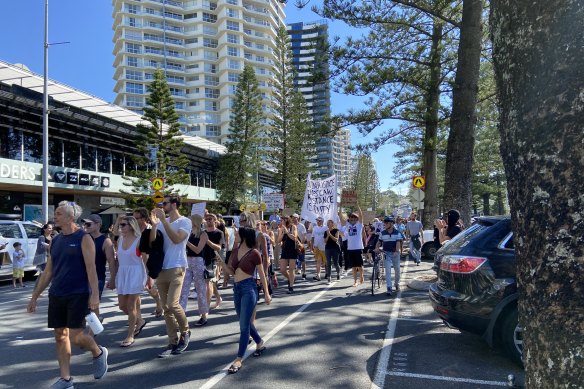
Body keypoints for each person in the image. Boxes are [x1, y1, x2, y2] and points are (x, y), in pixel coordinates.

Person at [27, 201, 108, 389]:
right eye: (55, 213)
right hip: (57, 294)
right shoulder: (55, 240)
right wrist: (34, 297)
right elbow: (48, 272)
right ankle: (66, 379)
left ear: (71, 217)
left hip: (78, 293)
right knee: (59, 335)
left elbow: (91, 269)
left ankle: (98, 352)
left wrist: (95, 295)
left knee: (76, 337)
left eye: (58, 213)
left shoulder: (84, 238)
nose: (55, 216)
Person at [216, 227, 271, 374]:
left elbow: (262, 275)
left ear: (245, 236)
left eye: (238, 233)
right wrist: (222, 263)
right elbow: (232, 272)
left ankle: (239, 358)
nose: (235, 235)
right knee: (243, 320)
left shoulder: (255, 253)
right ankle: (259, 342)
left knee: (243, 326)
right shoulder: (234, 252)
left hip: (249, 288)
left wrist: (266, 293)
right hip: (237, 288)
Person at [150, 196, 192, 358]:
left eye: (165, 204)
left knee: (172, 304)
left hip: (177, 266)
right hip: (162, 268)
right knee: (166, 309)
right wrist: (154, 225)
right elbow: (153, 241)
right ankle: (172, 341)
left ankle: (185, 331)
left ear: (174, 205)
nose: (162, 206)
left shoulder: (184, 221)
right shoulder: (161, 222)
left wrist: (163, 221)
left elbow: (176, 239)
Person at [113, 216, 148, 347]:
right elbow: (115, 232)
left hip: (136, 273)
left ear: (131, 226)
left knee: (131, 306)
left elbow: (145, 259)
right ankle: (139, 320)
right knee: (122, 305)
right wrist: (113, 277)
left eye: (124, 225)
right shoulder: (120, 239)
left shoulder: (139, 240)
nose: (121, 227)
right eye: (120, 225)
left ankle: (130, 335)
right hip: (122, 274)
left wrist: (149, 277)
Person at [82, 214, 115, 321]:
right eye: (85, 223)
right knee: (83, 305)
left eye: (88, 224)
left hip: (97, 277)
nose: (85, 226)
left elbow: (111, 261)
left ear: (98, 225)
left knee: (93, 304)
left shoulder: (105, 241)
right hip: (81, 277)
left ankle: (93, 332)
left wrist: (113, 278)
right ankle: (97, 320)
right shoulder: (83, 238)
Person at [132, 208, 163, 318]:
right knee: (136, 289)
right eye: (133, 218)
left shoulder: (150, 230)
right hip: (135, 263)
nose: (134, 220)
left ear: (144, 219)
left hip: (148, 262)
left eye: (136, 218)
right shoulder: (133, 230)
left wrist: (149, 269)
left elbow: (149, 249)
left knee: (148, 287)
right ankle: (136, 315)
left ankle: (159, 302)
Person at [181, 214, 209, 326]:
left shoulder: (203, 234)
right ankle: (181, 315)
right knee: (183, 289)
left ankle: (203, 315)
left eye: (191, 220)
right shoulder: (187, 232)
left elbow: (198, 250)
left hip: (198, 261)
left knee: (200, 289)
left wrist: (186, 241)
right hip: (187, 260)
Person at [201, 213, 224, 309]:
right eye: (207, 219)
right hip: (202, 259)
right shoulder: (202, 232)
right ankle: (218, 298)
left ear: (215, 220)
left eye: (210, 218)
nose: (208, 220)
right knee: (210, 282)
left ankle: (206, 306)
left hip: (214, 259)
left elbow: (219, 248)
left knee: (209, 282)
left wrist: (207, 241)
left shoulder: (219, 233)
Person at [376, 217, 403, 296]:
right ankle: (389, 287)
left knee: (397, 269)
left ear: (391, 224)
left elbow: (398, 242)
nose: (385, 224)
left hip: (395, 253)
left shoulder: (397, 232)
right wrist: (377, 247)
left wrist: (396, 251)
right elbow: (379, 241)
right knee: (388, 271)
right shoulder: (382, 233)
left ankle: (396, 283)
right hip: (386, 253)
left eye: (386, 223)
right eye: (385, 223)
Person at [345, 207, 366, 287]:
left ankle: (361, 276)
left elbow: (361, 215)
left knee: (359, 266)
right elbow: (340, 217)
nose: (352, 219)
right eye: (351, 218)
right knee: (353, 266)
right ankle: (355, 281)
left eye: (354, 217)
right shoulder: (348, 225)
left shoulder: (359, 225)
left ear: (357, 219)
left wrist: (357, 205)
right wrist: (340, 207)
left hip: (358, 248)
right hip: (350, 248)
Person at [278, 216, 298, 294]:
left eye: (282, 220)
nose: (281, 222)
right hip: (285, 250)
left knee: (291, 269)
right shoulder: (281, 228)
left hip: (293, 249)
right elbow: (278, 241)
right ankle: (291, 279)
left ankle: (291, 286)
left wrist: (287, 232)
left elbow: (294, 238)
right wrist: (282, 233)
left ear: (286, 220)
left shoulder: (293, 227)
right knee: (282, 269)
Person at [311, 216, 328, 281]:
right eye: (317, 220)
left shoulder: (326, 228)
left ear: (322, 221)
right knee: (318, 261)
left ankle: (327, 273)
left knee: (326, 262)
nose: (318, 222)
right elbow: (312, 237)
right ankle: (318, 275)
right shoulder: (315, 228)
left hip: (324, 247)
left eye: (319, 221)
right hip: (317, 247)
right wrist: (312, 245)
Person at [291, 214, 307, 278]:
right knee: (293, 260)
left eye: (295, 218)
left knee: (302, 259)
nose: (294, 219)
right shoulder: (291, 226)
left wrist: (301, 244)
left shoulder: (301, 226)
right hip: (292, 246)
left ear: (298, 218)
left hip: (300, 245)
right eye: (293, 218)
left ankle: (304, 273)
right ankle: (293, 275)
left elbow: (304, 236)